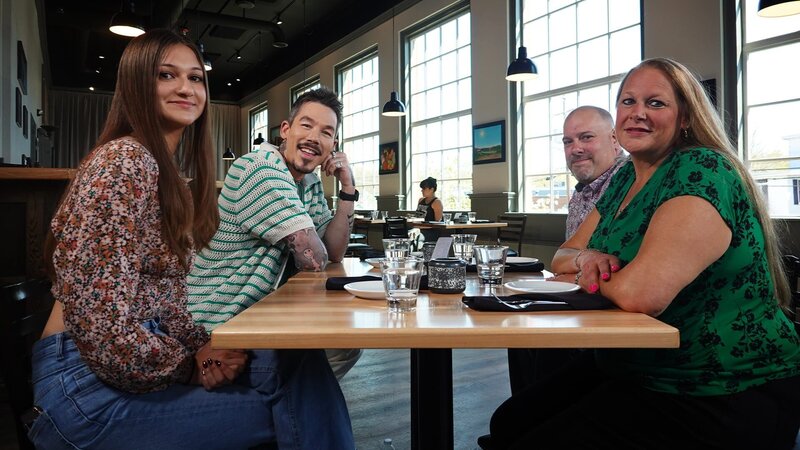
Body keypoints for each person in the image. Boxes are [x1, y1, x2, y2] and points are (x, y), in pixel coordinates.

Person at [30, 30, 354, 449]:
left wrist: (199, 348)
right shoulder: (124, 161)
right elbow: (103, 330)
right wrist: (188, 364)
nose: (185, 87)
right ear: (136, 84)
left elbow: (167, 299)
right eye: (166, 75)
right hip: (83, 389)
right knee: (300, 411)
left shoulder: (166, 175)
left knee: (297, 365)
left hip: (137, 354)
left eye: (196, 78)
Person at [484, 57, 800, 450]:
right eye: (628, 101)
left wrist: (588, 271)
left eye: (655, 103)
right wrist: (586, 261)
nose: (638, 113)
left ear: (686, 118)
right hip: (635, 364)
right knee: (508, 422)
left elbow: (643, 295)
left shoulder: (701, 169)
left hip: (719, 385)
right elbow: (564, 255)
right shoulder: (627, 178)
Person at [188, 87, 361, 379]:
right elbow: (315, 260)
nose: (314, 137)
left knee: (342, 346)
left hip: (256, 314)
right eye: (306, 125)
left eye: (326, 132)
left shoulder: (308, 182)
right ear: (285, 130)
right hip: (215, 321)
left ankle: (278, 400)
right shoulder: (261, 169)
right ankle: (271, 401)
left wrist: (348, 188)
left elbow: (333, 251)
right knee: (333, 348)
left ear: (333, 146)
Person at [507, 106, 627, 394]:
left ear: (614, 139)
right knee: (520, 328)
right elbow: (562, 258)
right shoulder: (581, 192)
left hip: (619, 320)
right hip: (587, 306)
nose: (576, 148)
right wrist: (575, 268)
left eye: (586, 137)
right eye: (568, 141)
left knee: (531, 333)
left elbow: (617, 266)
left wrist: (571, 274)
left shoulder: (629, 181)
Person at [415, 177, 444, 242]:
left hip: (431, 232)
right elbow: (417, 217)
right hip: (418, 229)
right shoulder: (421, 200)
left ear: (432, 189)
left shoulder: (437, 202)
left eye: (424, 188)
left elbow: (438, 223)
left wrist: (422, 227)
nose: (422, 190)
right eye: (422, 189)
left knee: (415, 237)